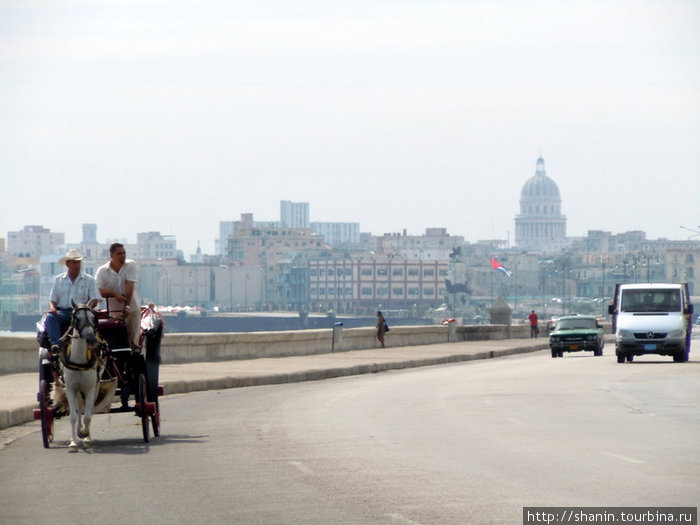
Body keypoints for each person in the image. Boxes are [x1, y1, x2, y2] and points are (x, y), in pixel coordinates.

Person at [45, 249, 101, 352]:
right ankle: (56, 345)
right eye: (74, 262)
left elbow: (94, 300)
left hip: (83, 313)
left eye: (78, 262)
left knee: (93, 319)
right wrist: (53, 308)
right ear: (68, 264)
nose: (77, 265)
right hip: (64, 312)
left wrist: (85, 308)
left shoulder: (89, 280)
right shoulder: (58, 279)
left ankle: (94, 345)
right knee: (50, 317)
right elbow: (52, 299)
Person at [95, 243, 142, 351]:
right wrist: (115, 294)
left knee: (133, 340)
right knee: (115, 340)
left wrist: (127, 306)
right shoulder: (102, 271)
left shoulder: (130, 265)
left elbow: (129, 287)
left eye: (124, 253)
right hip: (113, 312)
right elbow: (98, 291)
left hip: (132, 308)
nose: (123, 255)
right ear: (112, 255)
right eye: (119, 253)